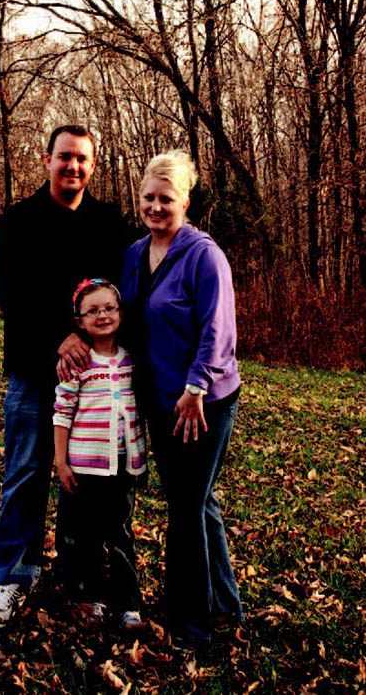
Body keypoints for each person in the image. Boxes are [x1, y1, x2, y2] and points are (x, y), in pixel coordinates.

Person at [0, 125, 129, 626]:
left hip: (90, 379)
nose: (73, 167)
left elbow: (119, 295)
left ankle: (77, 576)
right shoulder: (19, 220)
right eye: (64, 157)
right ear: (46, 160)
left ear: (93, 164)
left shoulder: (109, 223)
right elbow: (9, 292)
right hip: (32, 371)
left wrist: (86, 341)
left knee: (83, 482)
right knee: (26, 475)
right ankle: (11, 577)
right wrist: (57, 339)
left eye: (82, 159)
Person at [120, 150, 243, 646]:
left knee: (186, 509)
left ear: (185, 200)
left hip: (202, 402)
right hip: (158, 398)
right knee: (196, 501)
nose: (154, 206)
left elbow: (218, 329)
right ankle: (225, 607)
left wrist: (195, 389)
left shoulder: (204, 255)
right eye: (148, 197)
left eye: (165, 199)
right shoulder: (134, 253)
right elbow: (126, 315)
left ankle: (193, 626)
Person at [53, 278, 146, 628]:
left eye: (109, 308)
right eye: (92, 311)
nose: (102, 316)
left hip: (122, 466)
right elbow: (62, 412)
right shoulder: (77, 362)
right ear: (79, 321)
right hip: (84, 466)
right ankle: (90, 598)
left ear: (121, 313)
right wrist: (61, 462)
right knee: (86, 535)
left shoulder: (132, 360)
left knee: (120, 533)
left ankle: (127, 603)